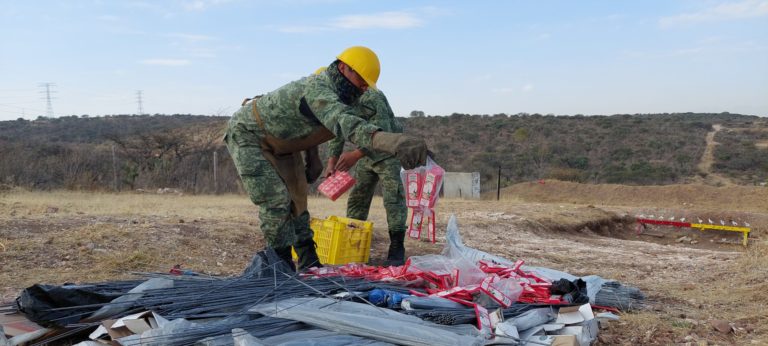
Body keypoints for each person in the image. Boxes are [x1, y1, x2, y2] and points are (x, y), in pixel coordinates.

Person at [223, 46, 428, 271]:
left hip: (283, 144)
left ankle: (309, 261)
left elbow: (306, 128)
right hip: (249, 135)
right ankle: (278, 265)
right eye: (360, 82)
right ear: (343, 68)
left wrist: (313, 156)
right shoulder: (318, 88)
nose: (362, 88)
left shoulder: (349, 96)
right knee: (276, 201)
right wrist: (393, 142)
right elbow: (342, 122)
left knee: (298, 202)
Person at [323, 86, 408, 266]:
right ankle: (352, 244)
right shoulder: (338, 102)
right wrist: (331, 163)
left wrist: (355, 155)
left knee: (393, 199)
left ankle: (397, 249)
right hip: (366, 156)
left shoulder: (372, 95)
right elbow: (336, 132)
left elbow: (382, 131)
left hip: (388, 152)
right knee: (357, 199)